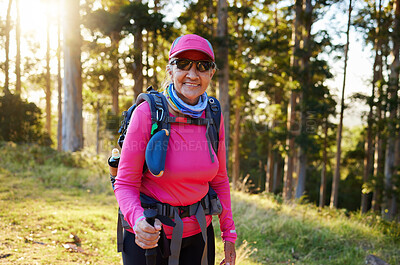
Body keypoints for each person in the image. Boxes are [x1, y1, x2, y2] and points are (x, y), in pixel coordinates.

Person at [114, 34, 237, 265]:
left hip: (200, 234)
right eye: (183, 64)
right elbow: (125, 183)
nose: (192, 74)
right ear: (170, 70)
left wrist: (229, 235)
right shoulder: (147, 113)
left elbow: (220, 180)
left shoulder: (213, 114)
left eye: (202, 66)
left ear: (211, 73)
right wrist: (139, 221)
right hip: (150, 235)